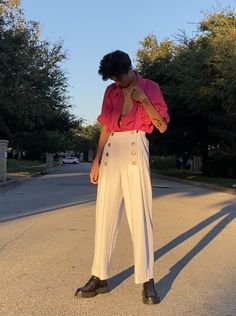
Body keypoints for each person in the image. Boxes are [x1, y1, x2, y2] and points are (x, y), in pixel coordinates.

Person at [75, 50, 170, 304]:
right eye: (112, 80)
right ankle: (99, 276)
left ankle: (147, 279)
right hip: (111, 152)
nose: (116, 83)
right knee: (104, 216)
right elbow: (106, 125)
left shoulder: (150, 87)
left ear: (130, 69)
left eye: (119, 78)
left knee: (140, 216)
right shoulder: (111, 92)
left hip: (135, 147)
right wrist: (95, 160)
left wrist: (144, 100)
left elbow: (161, 125)